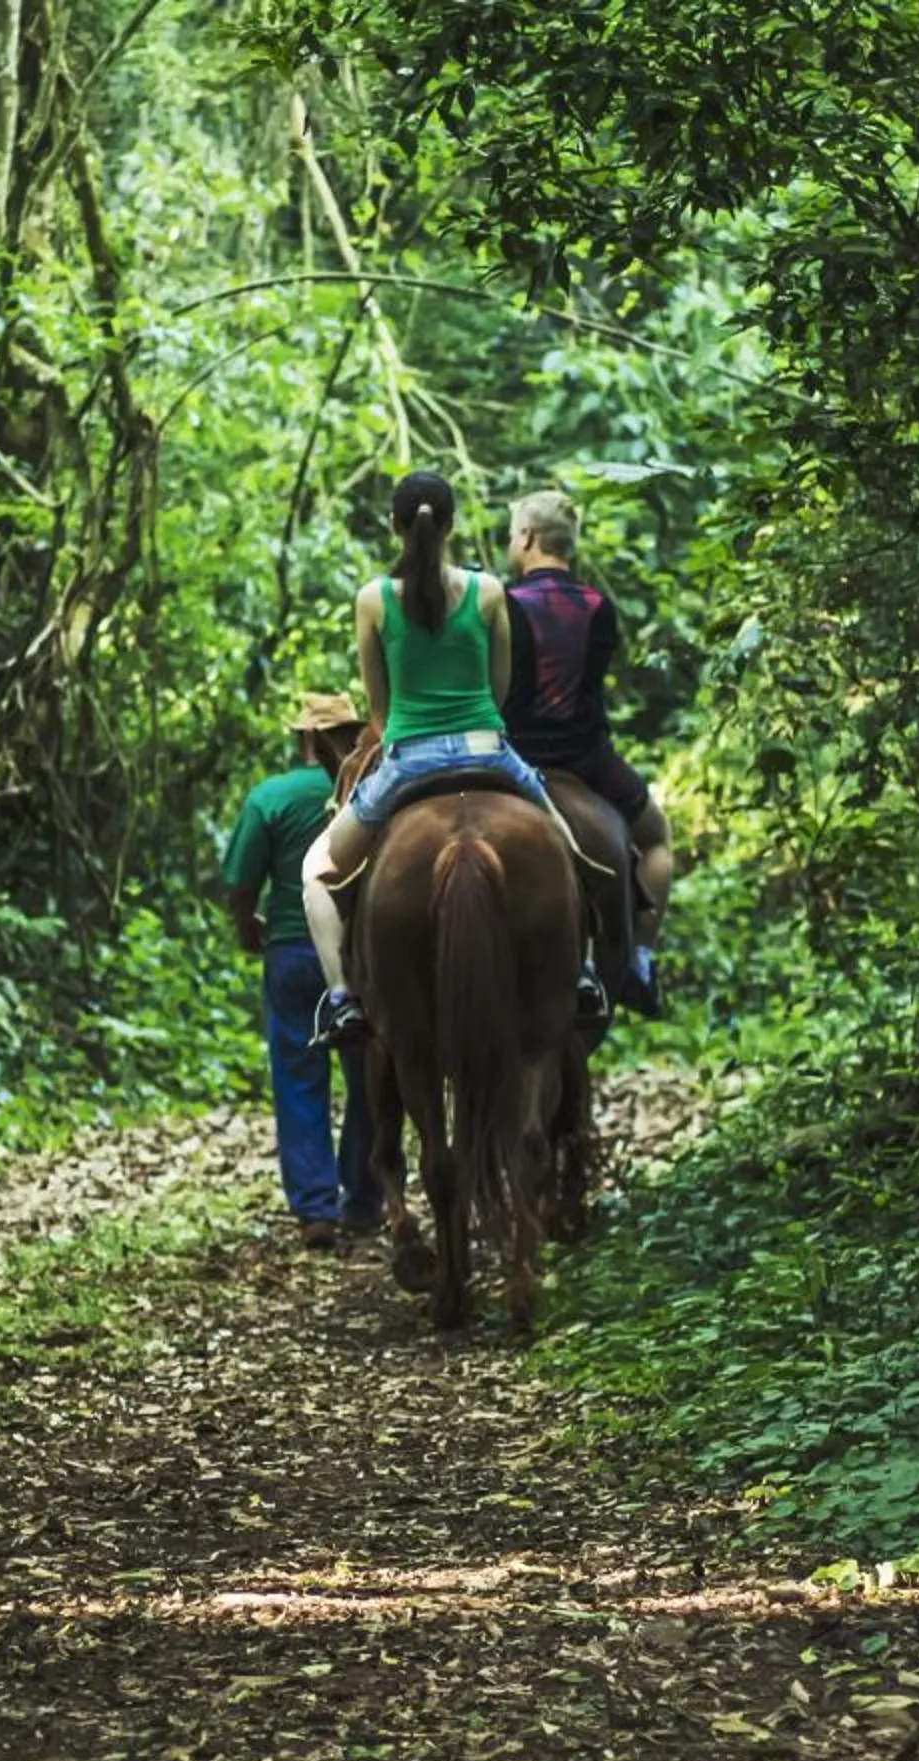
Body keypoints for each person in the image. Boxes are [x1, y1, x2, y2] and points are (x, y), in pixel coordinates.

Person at [301, 470, 601, 1049]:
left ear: (394, 526)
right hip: (489, 751)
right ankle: (583, 972)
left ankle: (341, 1000)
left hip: (408, 760)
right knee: (573, 849)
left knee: (315, 873)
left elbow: (379, 709)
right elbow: (501, 685)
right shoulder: (489, 591)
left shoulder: (372, 600)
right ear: (452, 524)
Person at [501, 489, 672, 1015]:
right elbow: (590, 687)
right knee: (657, 838)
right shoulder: (600, 606)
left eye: (513, 534)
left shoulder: (504, 603)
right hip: (587, 759)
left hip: (515, 758)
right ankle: (639, 957)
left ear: (527, 538)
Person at [221, 690, 379, 1248]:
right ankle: (363, 1198)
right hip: (360, 955)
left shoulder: (271, 797)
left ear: (306, 738)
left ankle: (316, 1209)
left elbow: (239, 884)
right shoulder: (370, 792)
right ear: (349, 735)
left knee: (298, 1077)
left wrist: (248, 930)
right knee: (369, 1080)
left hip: (291, 947)